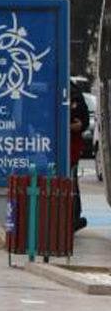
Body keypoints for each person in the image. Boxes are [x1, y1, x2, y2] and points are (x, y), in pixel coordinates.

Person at [71, 82, 89, 233]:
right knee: (72, 183)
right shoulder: (74, 89)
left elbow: (84, 120)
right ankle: (74, 217)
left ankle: (74, 218)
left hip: (70, 149)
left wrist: (80, 125)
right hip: (69, 150)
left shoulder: (73, 91)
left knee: (71, 182)